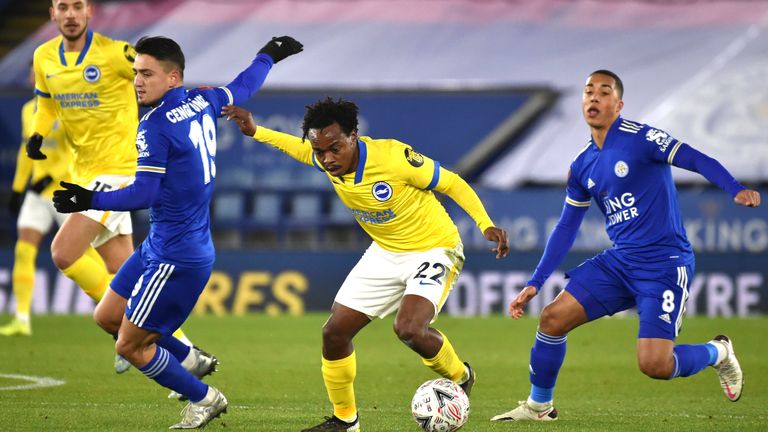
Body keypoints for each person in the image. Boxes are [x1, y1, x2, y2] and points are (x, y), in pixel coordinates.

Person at [53, 35, 303, 428]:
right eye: (135, 72)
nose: (137, 81)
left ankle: (205, 398)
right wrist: (269, 54)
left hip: (176, 257)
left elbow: (145, 192)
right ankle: (189, 358)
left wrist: (89, 200)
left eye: (147, 74)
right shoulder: (202, 100)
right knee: (107, 316)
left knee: (131, 346)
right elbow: (243, 86)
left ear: (172, 78)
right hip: (162, 242)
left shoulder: (153, 127)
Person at [223, 98, 510, 432]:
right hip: (386, 251)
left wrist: (484, 224)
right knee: (334, 333)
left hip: (434, 248)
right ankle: (346, 420)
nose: (327, 159)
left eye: (335, 148)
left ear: (354, 137)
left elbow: (452, 183)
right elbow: (299, 150)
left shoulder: (393, 157)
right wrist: (256, 131)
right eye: (320, 152)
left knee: (409, 329)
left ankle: (462, 376)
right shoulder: (325, 157)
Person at [490, 70, 761, 422]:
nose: (594, 98)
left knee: (655, 364)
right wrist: (535, 283)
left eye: (604, 92)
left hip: (664, 263)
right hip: (620, 263)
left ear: (618, 105)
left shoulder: (641, 138)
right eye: (588, 91)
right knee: (552, 318)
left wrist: (733, 187)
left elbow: (694, 157)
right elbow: (567, 226)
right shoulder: (582, 164)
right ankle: (539, 407)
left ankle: (718, 352)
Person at [29, 0, 196, 374]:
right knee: (129, 277)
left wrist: (182, 108)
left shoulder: (116, 53)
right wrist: (38, 134)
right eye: (62, 7)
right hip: (83, 172)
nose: (70, 14)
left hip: (121, 168)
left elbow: (159, 73)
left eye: (77, 6)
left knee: (64, 252)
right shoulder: (43, 57)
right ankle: (187, 353)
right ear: (52, 13)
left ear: (89, 11)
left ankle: (132, 334)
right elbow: (46, 104)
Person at [0, 63, 90, 336]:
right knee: (24, 250)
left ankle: (120, 316)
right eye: (32, 73)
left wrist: (50, 179)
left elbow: (78, 154)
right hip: (37, 195)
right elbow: (27, 151)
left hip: (65, 193)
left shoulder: (68, 109)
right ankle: (22, 318)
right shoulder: (29, 110)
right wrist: (17, 189)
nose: (33, 77)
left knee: (88, 256)